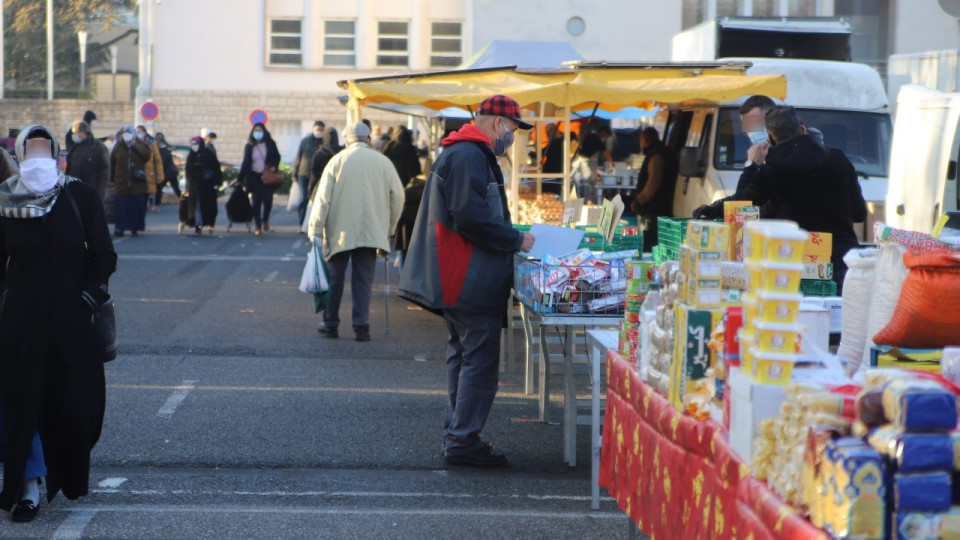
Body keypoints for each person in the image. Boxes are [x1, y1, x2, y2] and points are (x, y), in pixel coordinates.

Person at [398, 95, 536, 468]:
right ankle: (461, 441)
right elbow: (471, 218)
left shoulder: (468, 154)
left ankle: (458, 435)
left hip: (463, 276)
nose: (513, 137)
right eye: (512, 129)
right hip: (467, 277)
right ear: (497, 124)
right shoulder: (469, 156)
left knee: (464, 357)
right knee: (477, 360)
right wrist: (514, 239)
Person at [0, 125, 117, 521]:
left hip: (72, 323)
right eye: (29, 149)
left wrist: (87, 298)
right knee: (22, 403)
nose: (38, 154)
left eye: (44, 148)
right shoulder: (4, 202)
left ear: (55, 152)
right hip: (20, 323)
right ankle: (28, 485)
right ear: (17, 154)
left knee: (74, 407)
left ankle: (63, 471)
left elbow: (103, 255)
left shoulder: (79, 196)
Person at [739, 106, 867, 291]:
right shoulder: (838, 159)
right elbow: (859, 213)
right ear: (803, 130)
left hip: (794, 263)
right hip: (842, 262)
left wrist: (752, 164)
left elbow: (742, 204)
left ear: (770, 139)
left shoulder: (771, 172)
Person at [308, 123, 404, 342]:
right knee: (363, 280)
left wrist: (315, 229)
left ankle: (330, 323)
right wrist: (388, 227)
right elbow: (397, 197)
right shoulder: (383, 162)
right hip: (371, 231)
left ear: (347, 139)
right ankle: (361, 326)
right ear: (367, 138)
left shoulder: (337, 162)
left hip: (339, 232)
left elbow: (322, 200)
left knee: (335, 279)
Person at [693, 95, 777, 219]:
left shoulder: (780, 158)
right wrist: (716, 207)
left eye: (755, 124)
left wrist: (751, 164)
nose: (752, 133)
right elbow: (743, 196)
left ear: (771, 122)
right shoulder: (765, 157)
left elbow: (743, 202)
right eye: (748, 128)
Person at [630, 127, 679, 252]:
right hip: (659, 208)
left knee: (651, 245)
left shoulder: (656, 155)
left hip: (655, 209)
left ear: (645, 140)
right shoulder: (660, 152)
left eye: (640, 140)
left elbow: (654, 182)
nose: (640, 143)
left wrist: (639, 201)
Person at [237, 123, 281, 235]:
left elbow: (277, 156)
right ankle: (257, 226)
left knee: (268, 200)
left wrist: (274, 166)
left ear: (264, 131)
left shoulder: (270, 144)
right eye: (256, 130)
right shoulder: (249, 146)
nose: (258, 133)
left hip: (267, 176)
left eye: (260, 130)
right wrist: (240, 178)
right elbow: (245, 162)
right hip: (254, 176)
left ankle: (265, 220)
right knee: (256, 202)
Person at [110, 125, 152, 237]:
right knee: (121, 207)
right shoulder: (118, 146)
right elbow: (112, 162)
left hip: (137, 182)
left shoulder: (140, 144)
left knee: (136, 206)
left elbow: (147, 156)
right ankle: (120, 228)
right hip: (121, 182)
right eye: (125, 133)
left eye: (129, 133)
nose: (126, 135)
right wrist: (111, 179)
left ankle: (135, 227)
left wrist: (136, 146)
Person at [183, 136, 221, 236]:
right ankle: (197, 227)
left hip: (207, 185)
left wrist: (217, 183)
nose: (194, 147)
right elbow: (188, 172)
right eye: (192, 144)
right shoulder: (191, 155)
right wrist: (186, 187)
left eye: (196, 144)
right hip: (194, 185)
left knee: (209, 206)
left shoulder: (209, 154)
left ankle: (210, 223)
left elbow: (216, 169)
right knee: (196, 206)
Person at [66, 121, 110, 201]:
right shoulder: (74, 148)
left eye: (76, 132)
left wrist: (100, 194)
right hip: (74, 192)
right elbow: (69, 170)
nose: (74, 135)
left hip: (91, 193)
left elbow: (104, 172)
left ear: (83, 132)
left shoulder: (98, 147)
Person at [292, 121, 325, 226]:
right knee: (304, 198)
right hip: (304, 174)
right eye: (317, 129)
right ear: (313, 129)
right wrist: (294, 173)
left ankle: (312, 222)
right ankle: (302, 222)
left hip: (318, 175)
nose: (319, 132)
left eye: (321, 130)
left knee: (315, 199)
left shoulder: (325, 142)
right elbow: (298, 157)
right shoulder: (305, 141)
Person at [308, 127, 340, 201]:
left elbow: (314, 176)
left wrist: (310, 192)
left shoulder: (319, 154)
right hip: (337, 191)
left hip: (320, 189)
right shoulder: (342, 153)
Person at [136, 126, 164, 212]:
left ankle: (147, 207)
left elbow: (157, 160)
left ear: (144, 133)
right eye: (136, 132)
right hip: (136, 175)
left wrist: (160, 175)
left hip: (149, 174)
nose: (138, 134)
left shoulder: (151, 144)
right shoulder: (133, 143)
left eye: (140, 132)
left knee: (145, 195)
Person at [153, 132, 182, 206]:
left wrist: (157, 170)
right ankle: (183, 201)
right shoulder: (166, 148)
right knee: (175, 188)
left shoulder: (163, 149)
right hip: (171, 172)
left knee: (159, 188)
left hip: (167, 172)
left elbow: (163, 162)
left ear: (158, 140)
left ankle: (157, 204)